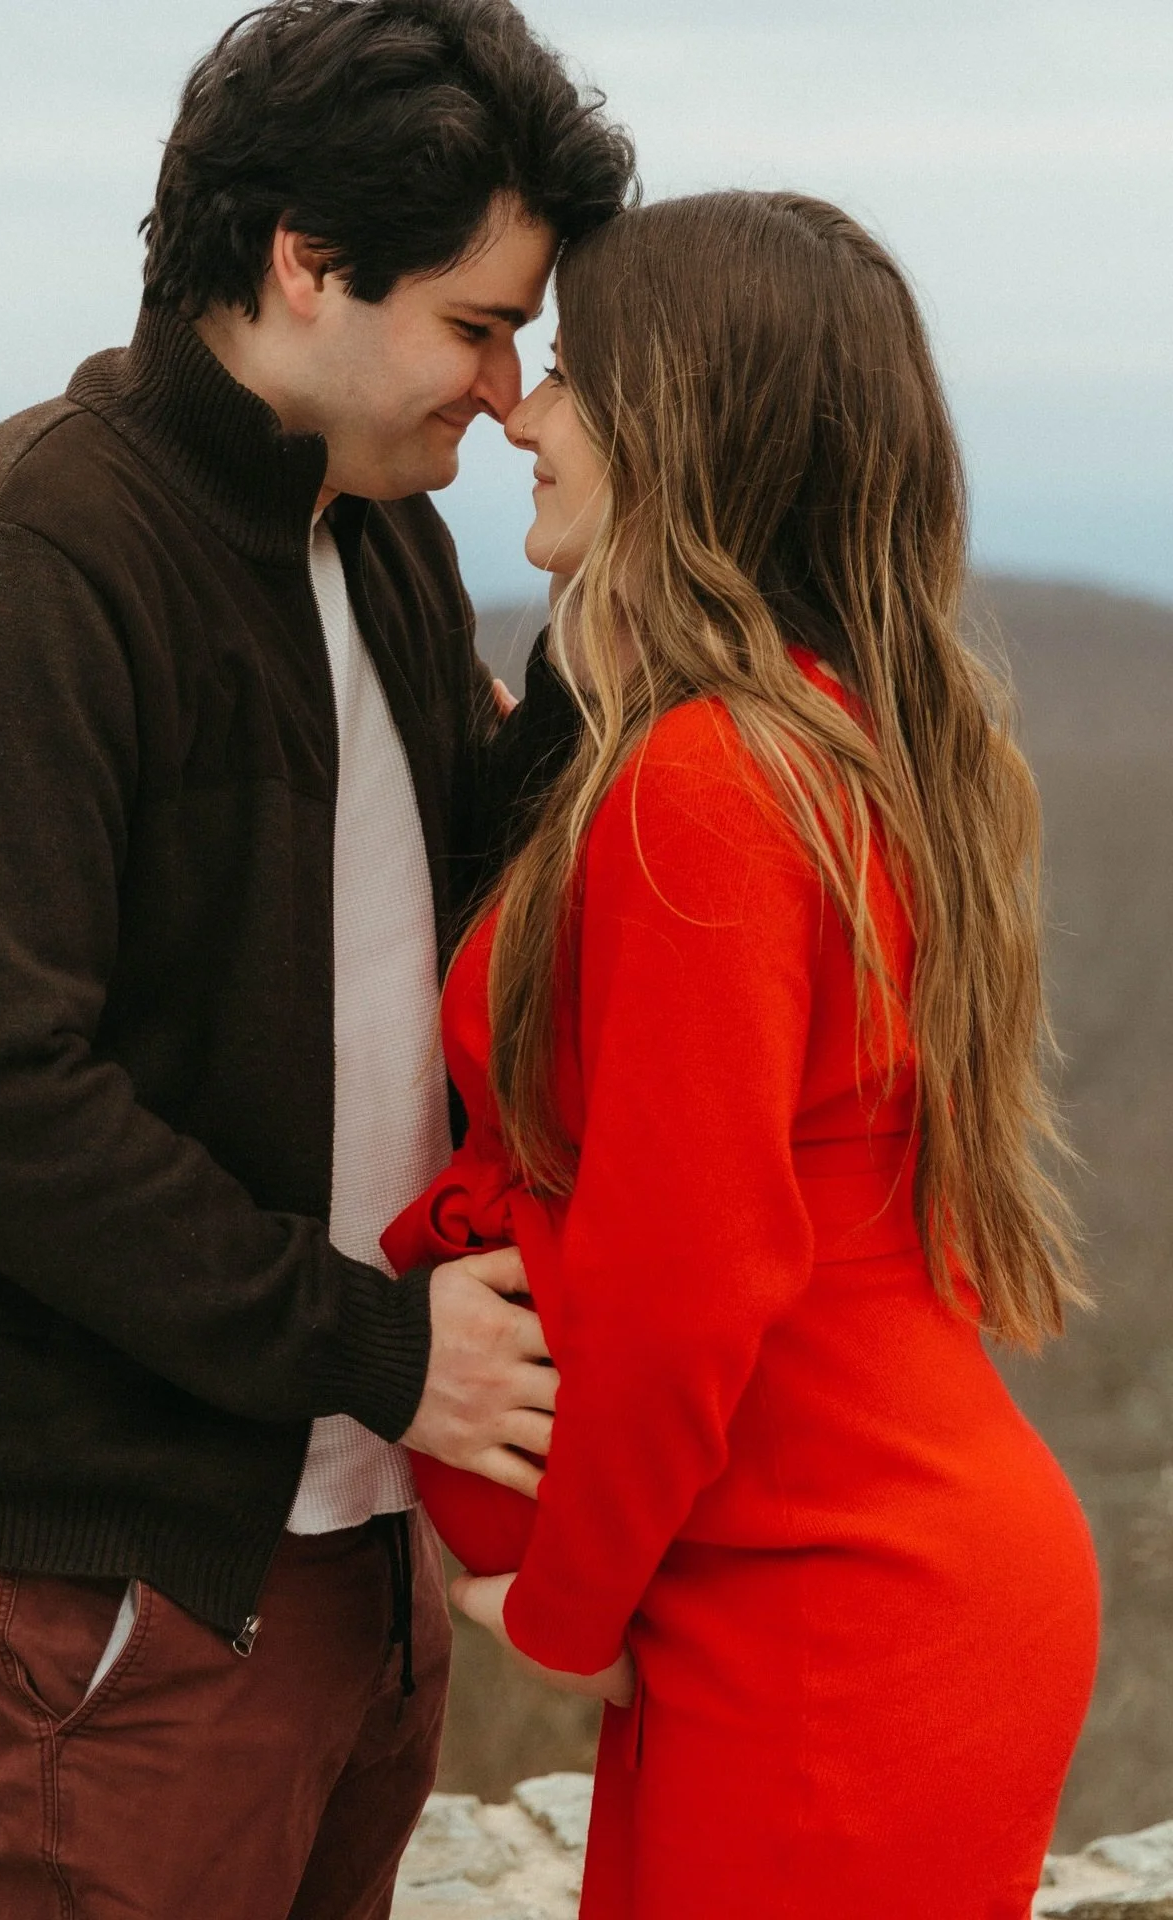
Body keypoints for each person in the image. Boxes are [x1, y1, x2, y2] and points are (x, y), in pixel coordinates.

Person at [0, 4, 634, 1915]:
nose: (508, 390)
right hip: (116, 1569)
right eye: (475, 324)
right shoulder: (8, 570)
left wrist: (625, 642)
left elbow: (436, 903)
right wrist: (375, 1350)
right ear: (303, 262)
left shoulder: (375, 542)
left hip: (358, 1525)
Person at [381, 192, 1102, 1919]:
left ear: (677, 427)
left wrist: (557, 1607)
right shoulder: (807, 743)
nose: (524, 416)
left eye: (566, 375)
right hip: (823, 1599)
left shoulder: (708, 790)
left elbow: (684, 1280)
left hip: (833, 1626)